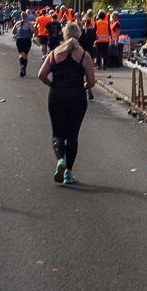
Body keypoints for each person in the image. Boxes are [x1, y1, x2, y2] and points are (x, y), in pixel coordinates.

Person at [38, 22, 97, 184]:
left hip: (57, 95)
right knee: (73, 135)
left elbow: (41, 75)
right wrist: (83, 86)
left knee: (57, 133)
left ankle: (60, 161)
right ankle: (69, 173)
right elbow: (92, 82)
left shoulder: (54, 53)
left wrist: (52, 84)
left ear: (64, 35)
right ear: (79, 36)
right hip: (77, 97)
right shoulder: (84, 56)